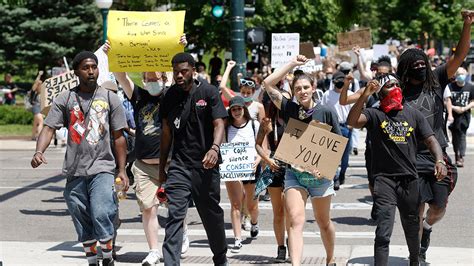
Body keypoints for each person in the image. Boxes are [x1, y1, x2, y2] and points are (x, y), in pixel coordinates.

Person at [30, 51, 128, 266]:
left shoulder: (110, 98)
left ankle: (108, 255)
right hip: (75, 170)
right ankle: (92, 259)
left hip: (103, 167)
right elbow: (48, 128)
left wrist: (121, 170)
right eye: (86, 67)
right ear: (76, 72)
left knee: (102, 211)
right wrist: (39, 152)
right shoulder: (65, 99)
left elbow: (119, 136)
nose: (91, 71)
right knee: (79, 212)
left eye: (94, 67)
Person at [104, 36, 190, 265]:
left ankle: (181, 233)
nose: (152, 80)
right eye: (148, 77)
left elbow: (179, 73)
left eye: (156, 77)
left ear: (164, 79)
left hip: (171, 163)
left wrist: (180, 48)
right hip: (143, 165)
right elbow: (121, 76)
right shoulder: (138, 97)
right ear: (143, 79)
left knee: (175, 206)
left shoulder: (171, 95)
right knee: (148, 208)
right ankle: (154, 250)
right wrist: (112, 54)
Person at [347, 74, 447, 266]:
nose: (395, 88)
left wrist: (440, 160)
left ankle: (414, 261)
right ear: (380, 93)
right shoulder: (374, 114)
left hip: (409, 181)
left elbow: (431, 139)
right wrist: (364, 95)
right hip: (384, 180)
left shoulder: (413, 114)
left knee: (412, 229)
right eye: (389, 85)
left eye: (397, 85)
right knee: (383, 230)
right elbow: (352, 121)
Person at [396, 11, 472, 262]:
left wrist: (467, 25)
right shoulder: (399, 92)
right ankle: (415, 255)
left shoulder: (436, 80)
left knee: (439, 207)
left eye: (422, 62)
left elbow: (459, 56)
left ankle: (427, 229)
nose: (420, 65)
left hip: (438, 155)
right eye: (414, 63)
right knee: (414, 210)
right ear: (406, 69)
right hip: (411, 158)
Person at [263, 55, 340, 266]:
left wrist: (327, 169)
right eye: (298, 89)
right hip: (294, 175)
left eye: (306, 87)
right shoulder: (289, 109)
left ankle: (330, 258)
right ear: (294, 91)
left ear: (314, 87)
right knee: (296, 219)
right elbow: (267, 84)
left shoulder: (326, 111)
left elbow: (338, 143)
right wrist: (292, 65)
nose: (303, 91)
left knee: (324, 223)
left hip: (320, 177)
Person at [159, 52, 228, 266]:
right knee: (175, 216)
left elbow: (219, 124)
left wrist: (215, 149)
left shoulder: (208, 92)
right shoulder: (169, 96)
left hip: (206, 166)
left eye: (183, 71)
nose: (179, 75)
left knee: (211, 215)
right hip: (180, 165)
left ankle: (220, 257)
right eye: (175, 72)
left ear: (193, 70)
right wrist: (162, 169)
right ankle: (171, 263)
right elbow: (166, 134)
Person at [224, 96, 261, 253]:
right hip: (233, 168)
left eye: (239, 108)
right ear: (230, 111)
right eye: (234, 109)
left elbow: (262, 148)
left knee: (252, 206)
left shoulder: (254, 125)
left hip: (252, 168)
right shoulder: (226, 127)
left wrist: (257, 162)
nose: (237, 112)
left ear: (244, 109)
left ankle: (254, 222)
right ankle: (237, 238)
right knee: (235, 204)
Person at [321, 71, 354, 190]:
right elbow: (322, 109)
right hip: (331, 127)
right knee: (332, 154)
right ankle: (335, 177)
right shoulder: (327, 94)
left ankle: (342, 173)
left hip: (345, 126)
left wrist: (351, 125)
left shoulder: (350, 94)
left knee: (345, 154)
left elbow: (354, 110)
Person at [447, 67, 474, 167]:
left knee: (462, 134)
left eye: (462, 74)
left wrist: (464, 108)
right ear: (455, 76)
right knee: (454, 137)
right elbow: (446, 101)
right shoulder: (450, 87)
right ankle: (456, 155)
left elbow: (473, 102)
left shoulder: (470, 87)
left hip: (464, 115)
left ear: (466, 75)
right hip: (453, 114)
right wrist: (454, 108)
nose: (460, 76)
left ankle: (461, 157)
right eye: (458, 74)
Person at [30, 71, 44, 141]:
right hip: (35, 107)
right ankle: (39, 136)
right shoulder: (34, 92)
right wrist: (39, 75)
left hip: (40, 108)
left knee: (36, 123)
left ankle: (33, 136)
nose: (41, 86)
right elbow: (36, 82)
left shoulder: (43, 93)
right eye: (40, 85)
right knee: (41, 121)